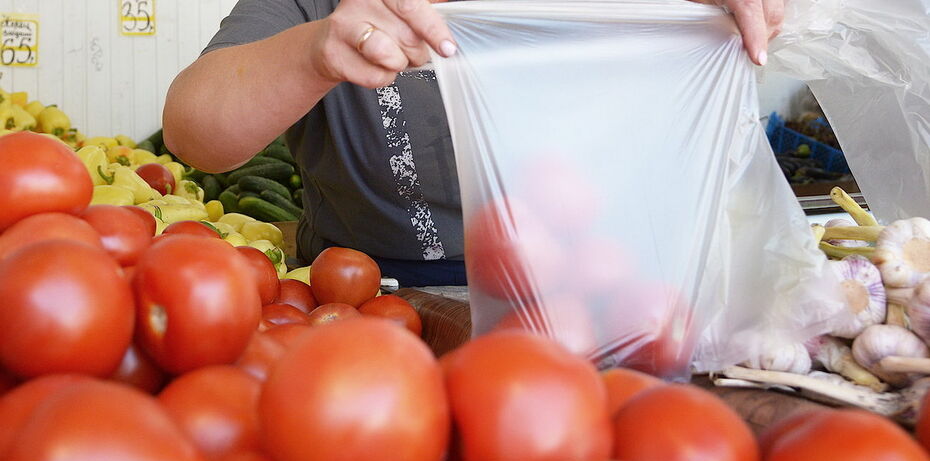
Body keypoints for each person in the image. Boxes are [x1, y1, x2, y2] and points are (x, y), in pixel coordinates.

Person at [162, 0, 784, 287]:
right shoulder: (313, 4)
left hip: (577, 289)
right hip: (368, 296)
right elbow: (194, 132)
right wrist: (315, 50)